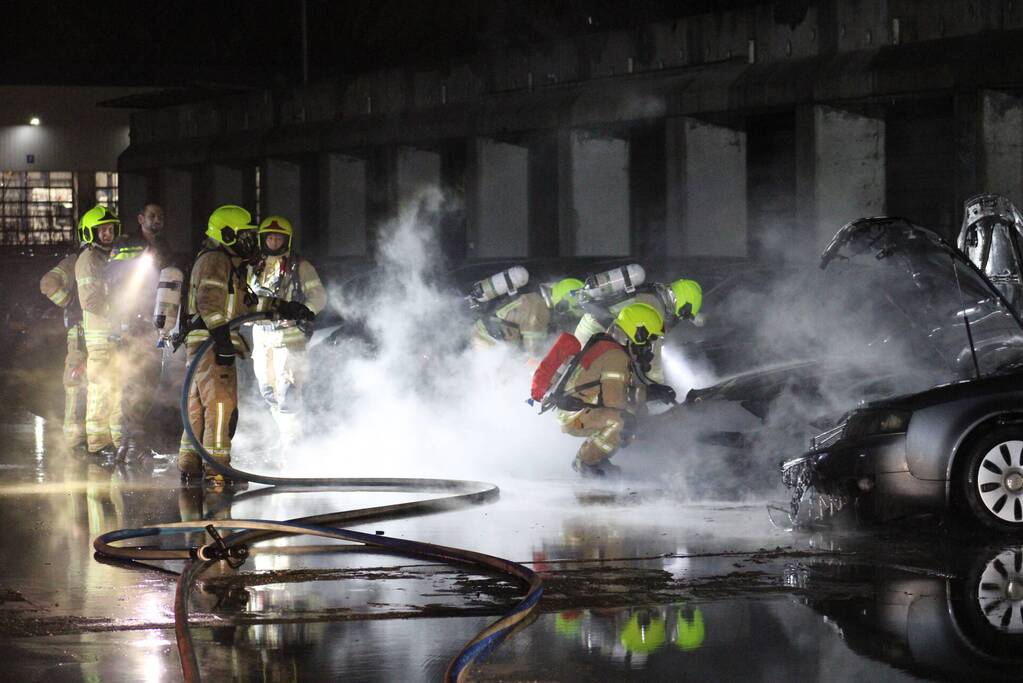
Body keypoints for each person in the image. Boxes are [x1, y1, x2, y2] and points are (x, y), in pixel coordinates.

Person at [177, 205, 313, 487]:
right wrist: (223, 340)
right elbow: (208, 303)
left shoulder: (229, 264)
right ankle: (219, 471)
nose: (250, 241)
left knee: (198, 407)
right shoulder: (216, 260)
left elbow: (246, 304)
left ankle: (191, 465)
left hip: (205, 342)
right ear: (227, 234)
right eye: (244, 235)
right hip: (211, 343)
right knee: (220, 406)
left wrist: (285, 307)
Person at [556, 303, 676, 477]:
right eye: (649, 340)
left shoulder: (613, 348)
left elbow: (627, 391)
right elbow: (615, 401)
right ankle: (586, 462)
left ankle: (598, 454)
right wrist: (648, 399)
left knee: (631, 418)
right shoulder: (615, 356)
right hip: (575, 417)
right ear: (638, 333)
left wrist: (652, 392)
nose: (649, 347)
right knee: (623, 422)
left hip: (584, 408)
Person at [247, 215, 327, 447]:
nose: (273, 241)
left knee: (288, 394)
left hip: (290, 341)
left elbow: (319, 296)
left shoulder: (300, 267)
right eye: (269, 237)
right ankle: (286, 436)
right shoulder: (253, 267)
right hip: (262, 340)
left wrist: (304, 311)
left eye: (278, 237)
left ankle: (292, 446)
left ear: (287, 240)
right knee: (268, 392)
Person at [574, 265, 703, 383]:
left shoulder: (651, 291)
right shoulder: (655, 309)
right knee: (608, 384)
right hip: (596, 338)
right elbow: (654, 359)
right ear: (683, 306)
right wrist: (657, 385)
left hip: (587, 327)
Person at [74, 205, 122, 456]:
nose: (107, 234)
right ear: (90, 233)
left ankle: (111, 440)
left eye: (110, 229)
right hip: (100, 337)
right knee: (100, 388)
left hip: (111, 335)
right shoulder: (89, 260)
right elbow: (90, 301)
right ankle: (97, 443)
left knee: (115, 388)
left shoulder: (108, 258)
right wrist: (119, 304)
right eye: (101, 230)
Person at [469, 267, 584, 357]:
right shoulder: (540, 311)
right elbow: (533, 351)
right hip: (487, 341)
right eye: (569, 315)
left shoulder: (536, 299)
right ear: (562, 306)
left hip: (488, 337)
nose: (565, 318)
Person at [39, 244, 86, 449]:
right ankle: (74, 441)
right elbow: (47, 283)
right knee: (76, 387)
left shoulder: (110, 260)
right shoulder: (75, 262)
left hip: (105, 336)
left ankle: (96, 440)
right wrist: (70, 302)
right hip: (81, 336)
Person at [958, 193, 1023, 313]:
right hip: (993, 282)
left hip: (991, 282)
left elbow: (961, 244)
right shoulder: (1007, 211)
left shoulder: (1007, 212)